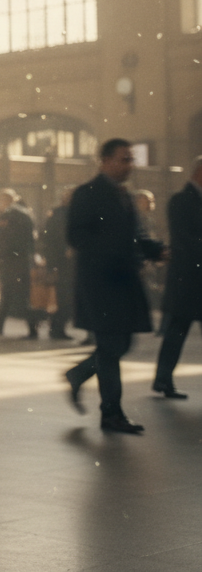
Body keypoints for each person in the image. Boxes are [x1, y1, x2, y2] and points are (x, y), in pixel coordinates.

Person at [64, 139, 166, 434]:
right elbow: (76, 236)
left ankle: (79, 374)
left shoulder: (124, 195)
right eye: (124, 159)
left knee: (120, 344)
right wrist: (113, 253)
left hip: (121, 282)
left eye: (131, 159)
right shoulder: (87, 193)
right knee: (111, 347)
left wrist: (156, 250)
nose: (129, 165)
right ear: (105, 161)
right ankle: (111, 413)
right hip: (102, 284)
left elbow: (135, 235)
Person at [153, 156, 202, 400]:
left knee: (176, 332)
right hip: (188, 278)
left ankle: (163, 380)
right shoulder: (181, 200)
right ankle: (163, 379)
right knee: (176, 332)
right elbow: (183, 239)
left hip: (191, 280)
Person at [0, 188, 36, 337]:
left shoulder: (9, 214)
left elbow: (2, 241)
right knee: (20, 294)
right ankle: (1, 324)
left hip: (10, 261)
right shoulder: (25, 213)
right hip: (22, 260)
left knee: (10, 293)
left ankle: (0, 324)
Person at [40, 188, 76, 341]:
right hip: (64, 262)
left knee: (64, 296)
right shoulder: (63, 214)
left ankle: (57, 327)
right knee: (65, 296)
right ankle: (57, 328)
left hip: (61, 261)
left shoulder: (59, 213)